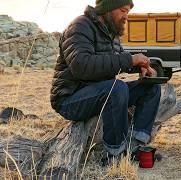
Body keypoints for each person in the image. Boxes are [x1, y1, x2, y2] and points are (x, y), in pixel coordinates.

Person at [50, 0, 161, 164]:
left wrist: (140, 66)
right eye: (123, 11)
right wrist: (130, 60)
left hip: (100, 92)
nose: (126, 17)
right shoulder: (80, 26)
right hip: (70, 99)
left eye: (127, 12)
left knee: (151, 87)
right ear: (108, 8)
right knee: (117, 88)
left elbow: (118, 60)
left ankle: (135, 146)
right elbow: (81, 66)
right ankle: (115, 154)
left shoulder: (112, 34)